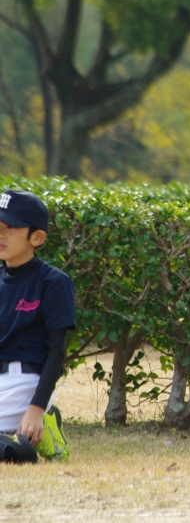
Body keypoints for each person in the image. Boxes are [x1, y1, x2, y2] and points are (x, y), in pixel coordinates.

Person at [0, 189, 74, 462]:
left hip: (24, 383)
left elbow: (56, 352)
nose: (1, 234)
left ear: (37, 238)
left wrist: (36, 407)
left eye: (10, 228)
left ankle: (29, 437)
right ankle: (15, 440)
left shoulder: (53, 282)